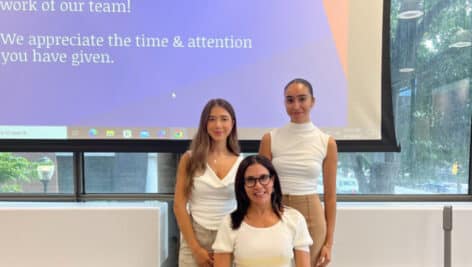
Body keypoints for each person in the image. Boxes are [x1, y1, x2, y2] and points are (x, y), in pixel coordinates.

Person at [259, 78, 338, 267]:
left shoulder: (326, 142)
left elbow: (330, 197)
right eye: (290, 100)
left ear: (313, 101)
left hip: (311, 213)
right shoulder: (270, 138)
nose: (296, 106)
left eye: (302, 99)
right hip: (276, 210)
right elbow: (260, 186)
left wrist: (329, 243)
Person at [174, 98, 243, 267]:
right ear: (204, 123)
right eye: (211, 119)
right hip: (195, 236)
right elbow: (179, 205)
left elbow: (245, 207)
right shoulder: (189, 159)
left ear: (232, 123)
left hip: (230, 236)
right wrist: (196, 249)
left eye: (224, 119)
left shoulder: (242, 163)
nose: (218, 125)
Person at [213, 155, 312, 267]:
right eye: (250, 180)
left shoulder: (295, 219)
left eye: (263, 178)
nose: (258, 186)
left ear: (273, 180)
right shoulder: (229, 223)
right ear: (242, 185)